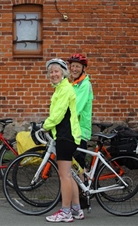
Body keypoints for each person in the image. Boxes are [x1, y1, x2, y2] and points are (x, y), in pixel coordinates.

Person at [42, 58, 84, 223]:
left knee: (64, 175)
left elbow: (58, 114)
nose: (53, 74)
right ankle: (76, 209)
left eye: (56, 71)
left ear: (63, 72)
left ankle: (65, 212)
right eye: (51, 72)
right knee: (69, 175)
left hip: (66, 136)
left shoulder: (65, 89)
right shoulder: (61, 89)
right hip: (67, 135)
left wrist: (43, 126)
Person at [68, 54, 94, 174]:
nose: (74, 69)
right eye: (72, 66)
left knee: (79, 163)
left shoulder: (84, 85)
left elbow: (77, 108)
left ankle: (85, 188)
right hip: (73, 128)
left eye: (77, 66)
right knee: (75, 162)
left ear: (83, 68)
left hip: (80, 129)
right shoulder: (74, 84)